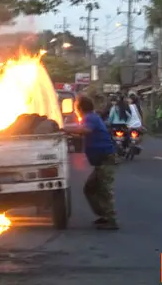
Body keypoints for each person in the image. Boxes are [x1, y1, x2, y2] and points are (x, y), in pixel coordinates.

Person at [64, 96, 118, 230]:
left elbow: (85, 130)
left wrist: (65, 129)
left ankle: (111, 220)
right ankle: (104, 215)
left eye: (76, 108)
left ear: (80, 108)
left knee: (104, 189)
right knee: (90, 188)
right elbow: (82, 131)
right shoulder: (89, 118)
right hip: (101, 160)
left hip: (106, 158)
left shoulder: (90, 118)